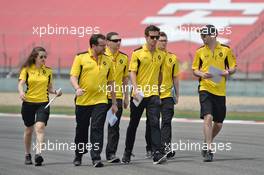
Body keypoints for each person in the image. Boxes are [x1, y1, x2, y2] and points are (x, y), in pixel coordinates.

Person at [70, 34, 118, 168]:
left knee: (97, 128)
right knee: (81, 129)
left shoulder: (108, 60)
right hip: (83, 100)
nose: (105, 47)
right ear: (93, 46)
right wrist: (77, 88)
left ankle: (96, 157)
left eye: (105, 45)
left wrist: (114, 103)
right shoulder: (80, 57)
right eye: (102, 45)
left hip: (101, 100)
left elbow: (111, 82)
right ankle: (78, 155)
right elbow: (73, 77)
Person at [122, 25, 167, 165]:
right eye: (152, 37)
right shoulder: (138, 53)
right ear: (146, 37)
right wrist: (135, 89)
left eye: (157, 37)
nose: (154, 40)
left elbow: (160, 74)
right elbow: (132, 72)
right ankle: (127, 152)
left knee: (154, 123)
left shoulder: (162, 54)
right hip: (139, 94)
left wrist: (158, 89)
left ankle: (157, 153)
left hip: (153, 94)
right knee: (133, 124)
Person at [192, 24, 237, 162]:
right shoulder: (199, 51)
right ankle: (210, 149)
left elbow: (234, 67)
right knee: (208, 117)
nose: (202, 37)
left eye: (204, 35)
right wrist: (201, 74)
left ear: (213, 35)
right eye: (201, 35)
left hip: (220, 90)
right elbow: (194, 69)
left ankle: (206, 142)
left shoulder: (226, 50)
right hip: (205, 88)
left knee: (219, 124)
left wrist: (227, 72)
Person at [18, 46, 62, 166]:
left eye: (45, 57)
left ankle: (38, 154)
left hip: (43, 103)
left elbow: (50, 88)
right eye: (41, 57)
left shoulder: (48, 71)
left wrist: (56, 92)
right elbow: (21, 84)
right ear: (35, 57)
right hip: (28, 103)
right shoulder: (26, 69)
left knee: (40, 127)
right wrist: (21, 92)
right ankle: (27, 154)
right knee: (28, 129)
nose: (44, 59)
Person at [145, 32, 180, 159]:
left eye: (165, 40)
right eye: (160, 40)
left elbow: (175, 77)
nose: (163, 42)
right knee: (152, 122)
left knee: (166, 121)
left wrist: (177, 94)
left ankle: (165, 147)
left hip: (167, 95)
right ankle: (150, 147)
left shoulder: (173, 58)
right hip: (152, 94)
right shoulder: (150, 56)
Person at [105, 32, 129, 163]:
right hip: (101, 96)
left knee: (113, 125)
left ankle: (111, 154)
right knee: (96, 127)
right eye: (115, 40)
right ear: (107, 42)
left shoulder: (124, 58)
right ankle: (93, 154)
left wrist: (126, 97)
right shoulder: (102, 56)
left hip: (117, 96)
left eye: (119, 40)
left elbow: (125, 78)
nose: (118, 43)